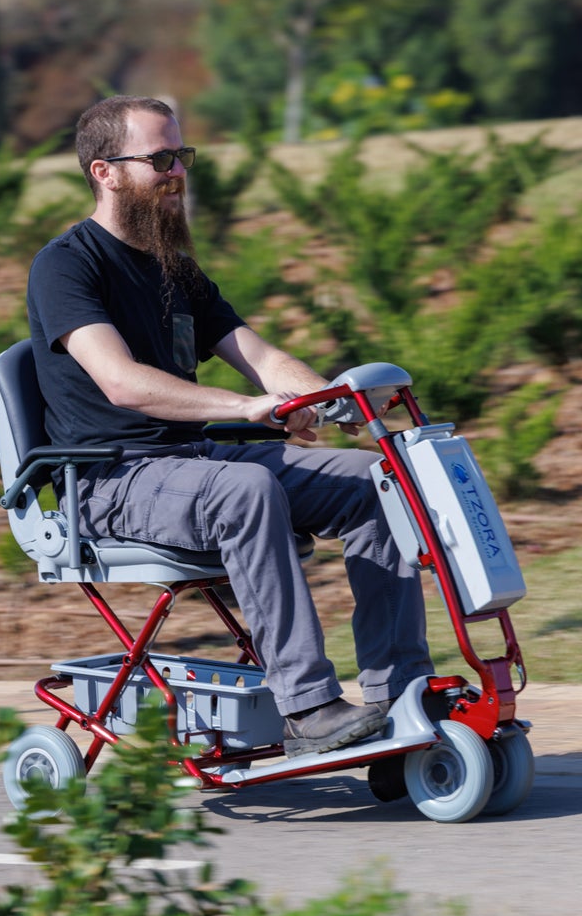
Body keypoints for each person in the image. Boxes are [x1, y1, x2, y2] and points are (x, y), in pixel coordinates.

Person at [25, 95, 432, 756]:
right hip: (110, 479)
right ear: (105, 172)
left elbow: (261, 357)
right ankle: (307, 707)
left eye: (181, 156)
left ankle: (401, 697)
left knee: (376, 481)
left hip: (193, 463)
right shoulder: (67, 265)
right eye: (161, 158)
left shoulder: (174, 267)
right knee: (246, 491)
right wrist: (244, 407)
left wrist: (332, 399)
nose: (177, 172)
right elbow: (121, 382)